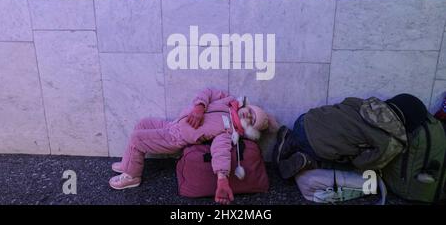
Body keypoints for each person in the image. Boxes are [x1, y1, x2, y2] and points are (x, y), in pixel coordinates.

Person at [109, 88, 278, 205]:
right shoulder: (228, 101)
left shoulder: (228, 132)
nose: (248, 115)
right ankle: (128, 164)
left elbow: (221, 152)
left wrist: (222, 178)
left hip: (176, 137)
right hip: (173, 124)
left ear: (248, 129)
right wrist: (200, 106)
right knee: (143, 123)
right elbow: (208, 92)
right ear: (246, 105)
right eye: (251, 111)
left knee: (138, 138)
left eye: (251, 120)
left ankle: (132, 176)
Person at [273, 94, 423, 180]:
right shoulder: (391, 141)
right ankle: (307, 161)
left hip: (305, 120)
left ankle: (290, 139)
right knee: (349, 165)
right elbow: (363, 164)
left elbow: (343, 104)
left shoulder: (365, 103)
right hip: (318, 148)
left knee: (325, 137)